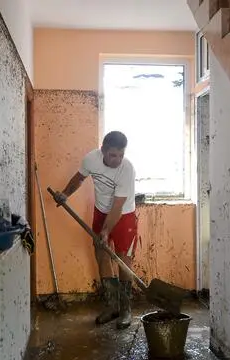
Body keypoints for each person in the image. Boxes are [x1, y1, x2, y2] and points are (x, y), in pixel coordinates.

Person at [51, 131, 137, 330]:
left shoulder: (127, 169)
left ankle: (125, 309)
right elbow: (79, 178)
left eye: (121, 155)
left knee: (124, 259)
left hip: (124, 214)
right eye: (113, 155)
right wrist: (65, 194)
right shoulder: (91, 159)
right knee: (101, 254)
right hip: (101, 211)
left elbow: (118, 205)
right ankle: (111, 306)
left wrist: (106, 231)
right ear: (103, 151)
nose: (117, 160)